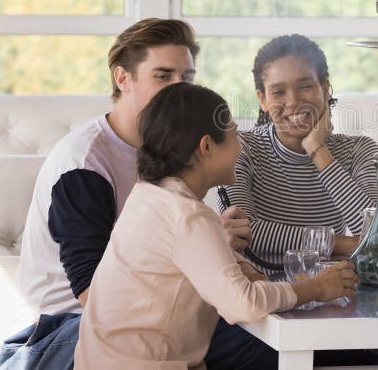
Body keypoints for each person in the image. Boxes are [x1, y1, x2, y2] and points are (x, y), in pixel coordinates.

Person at [0, 18, 255, 369]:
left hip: (136, 321)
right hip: (65, 334)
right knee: (255, 340)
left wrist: (211, 247)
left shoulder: (174, 152)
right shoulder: (84, 164)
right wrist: (209, 252)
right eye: (163, 76)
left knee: (260, 330)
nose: (178, 90)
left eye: (187, 78)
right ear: (122, 78)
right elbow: (97, 297)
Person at [74, 82, 357, 368]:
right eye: (234, 135)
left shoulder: (149, 194)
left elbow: (189, 255)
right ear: (207, 147)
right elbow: (242, 303)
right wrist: (318, 287)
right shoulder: (188, 216)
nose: (241, 145)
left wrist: (237, 262)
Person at [216, 34, 378, 256]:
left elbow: (377, 233)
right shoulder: (242, 149)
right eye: (278, 92)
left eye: (305, 86)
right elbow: (243, 231)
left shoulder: (359, 150)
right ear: (262, 99)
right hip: (264, 287)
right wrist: (349, 244)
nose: (292, 101)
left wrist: (317, 149)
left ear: (325, 87)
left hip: (336, 285)